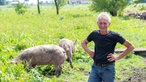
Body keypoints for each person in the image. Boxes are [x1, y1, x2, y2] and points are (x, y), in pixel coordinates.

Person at [81, 12, 134, 82]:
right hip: (95, 68)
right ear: (97, 23)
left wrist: (117, 57)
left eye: (105, 23)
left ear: (109, 24)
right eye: (100, 23)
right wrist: (89, 52)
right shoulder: (94, 34)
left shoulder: (114, 36)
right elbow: (83, 43)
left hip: (108, 69)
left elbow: (131, 46)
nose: (102, 25)